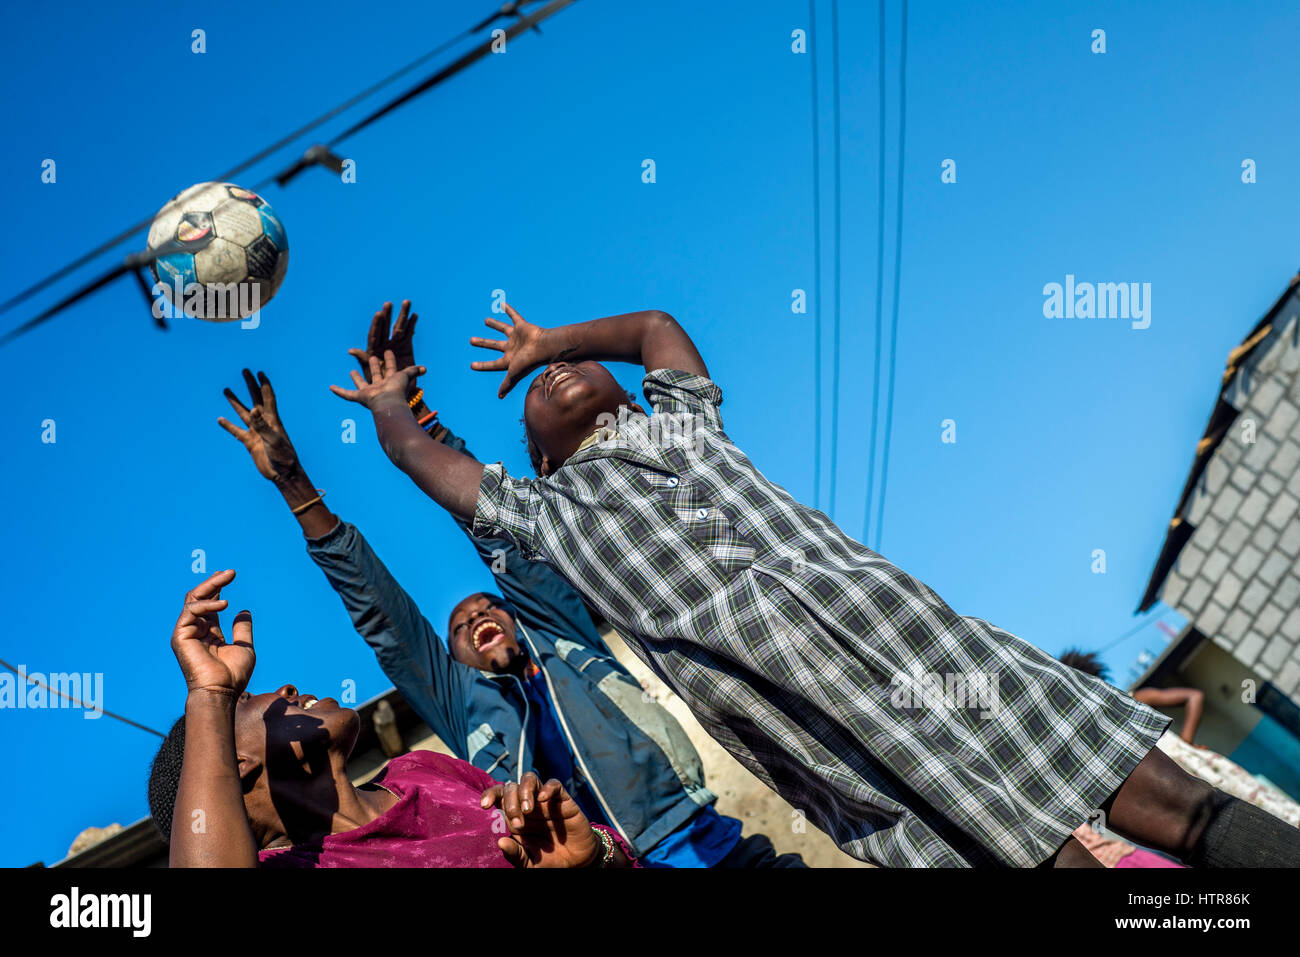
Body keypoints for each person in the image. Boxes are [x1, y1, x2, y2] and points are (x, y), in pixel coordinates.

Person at [330, 300, 1300, 869]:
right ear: (535, 463)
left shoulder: (681, 430)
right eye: (544, 389)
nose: (562, 377)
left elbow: (658, 325)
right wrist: (387, 410)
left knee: (1179, 810)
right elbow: (432, 467)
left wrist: (548, 342)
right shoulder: (548, 513)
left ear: (631, 396)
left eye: (582, 367)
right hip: (825, 728)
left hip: (929, 652)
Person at [215, 302, 800, 867]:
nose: (474, 619)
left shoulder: (561, 635)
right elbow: (381, 614)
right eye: (460, 627)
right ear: (450, 659)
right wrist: (294, 483)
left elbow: (496, 531)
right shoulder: (460, 702)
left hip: (698, 844)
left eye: (486, 608)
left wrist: (413, 408)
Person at [148, 568, 636, 868]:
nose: (287, 689)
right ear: (233, 764)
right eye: (248, 698)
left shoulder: (425, 770)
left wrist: (591, 856)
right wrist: (210, 694)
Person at [1060, 649, 1300, 829]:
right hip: (1183, 785)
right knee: (1248, 821)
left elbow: (1193, 696)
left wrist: (1186, 741)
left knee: (1269, 808)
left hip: (1200, 767)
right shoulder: (1107, 730)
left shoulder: (1136, 700)